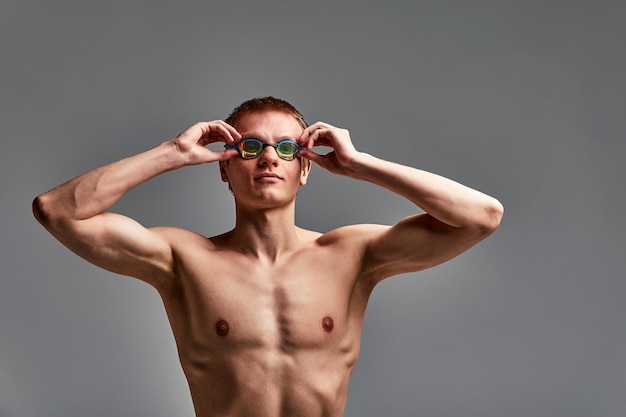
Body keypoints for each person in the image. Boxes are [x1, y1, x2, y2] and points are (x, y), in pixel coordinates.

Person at [33, 96, 503, 417]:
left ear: (305, 170)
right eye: (250, 146)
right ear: (223, 167)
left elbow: (482, 215)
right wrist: (171, 152)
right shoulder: (182, 259)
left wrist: (362, 165)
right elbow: (57, 211)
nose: (268, 158)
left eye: (286, 147)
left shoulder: (351, 255)